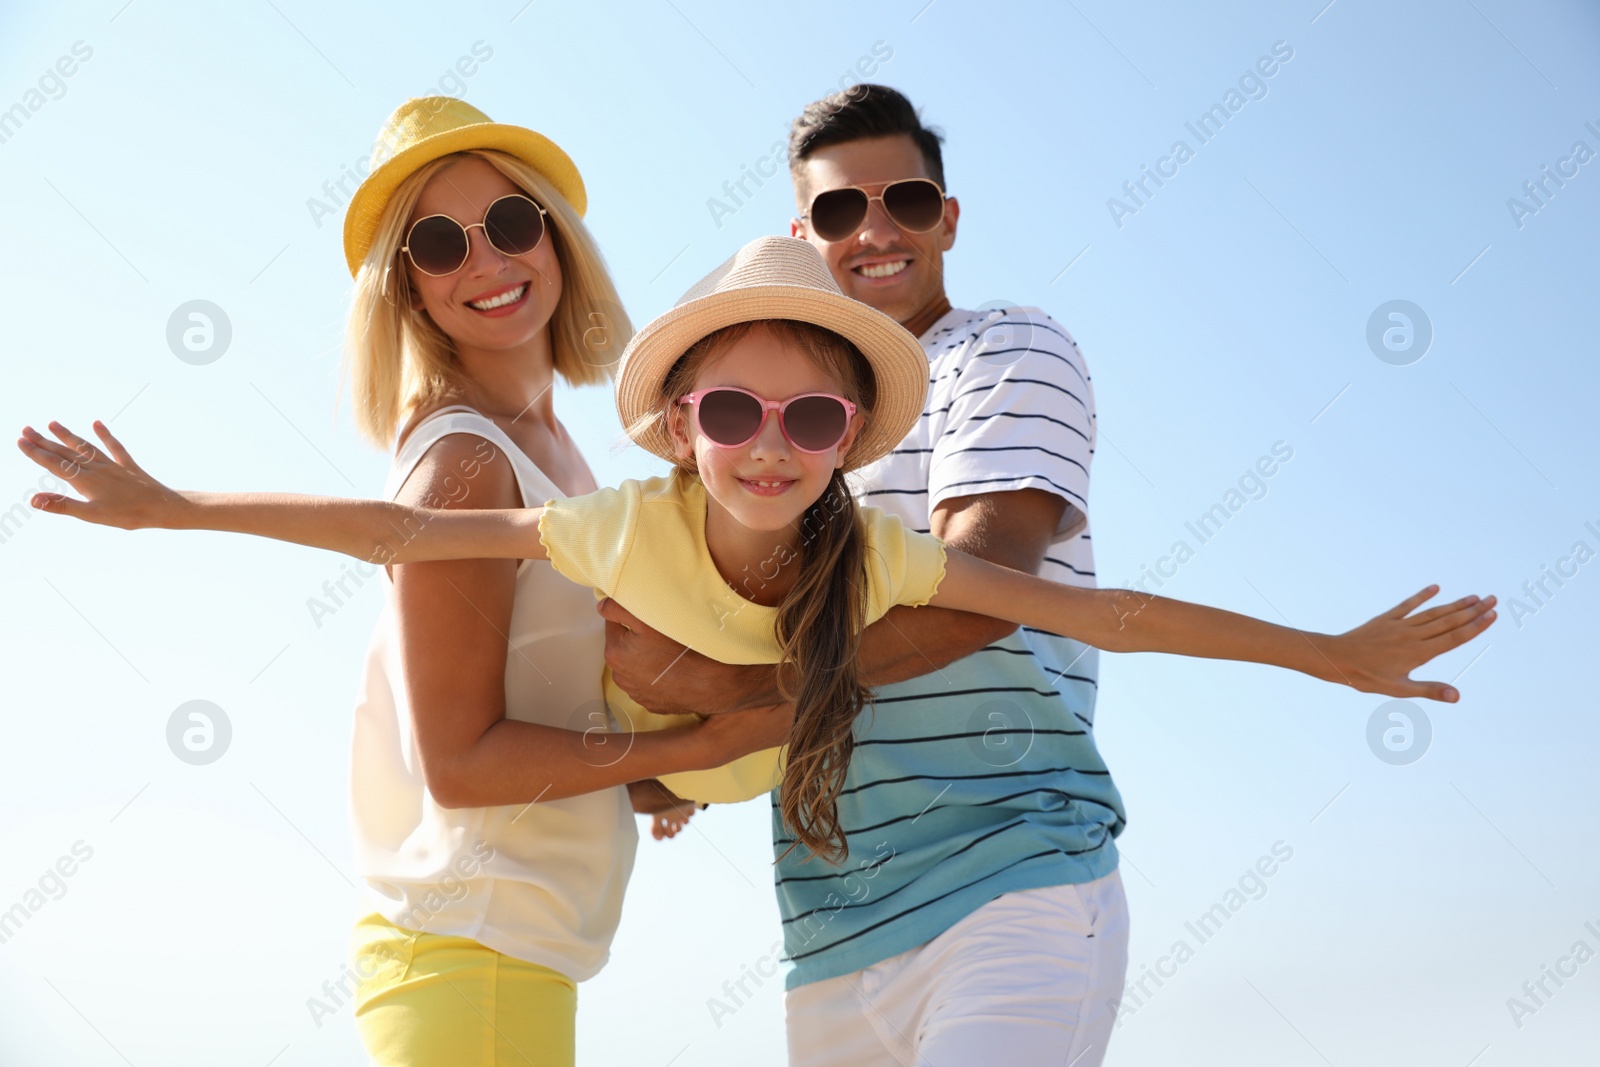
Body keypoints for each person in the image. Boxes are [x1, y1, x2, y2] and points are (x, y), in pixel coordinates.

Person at [18, 234, 1493, 872]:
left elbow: (1108, 608)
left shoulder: (880, 561)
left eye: (808, 413)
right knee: (641, 683)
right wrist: (175, 508)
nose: (769, 440)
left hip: (738, 765)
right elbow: (407, 528)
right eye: (732, 408)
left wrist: (1325, 651)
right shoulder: (617, 522)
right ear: (677, 429)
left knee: (739, 711)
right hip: (671, 762)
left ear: (855, 434)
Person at [87, 96, 787, 1067]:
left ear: (556, 237)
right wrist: (697, 739)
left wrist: (669, 767)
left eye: (508, 224)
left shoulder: (559, 456)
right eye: (438, 244)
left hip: (503, 963)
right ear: (407, 289)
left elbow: (535, 742)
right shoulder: (464, 459)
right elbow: (460, 764)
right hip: (472, 962)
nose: (489, 263)